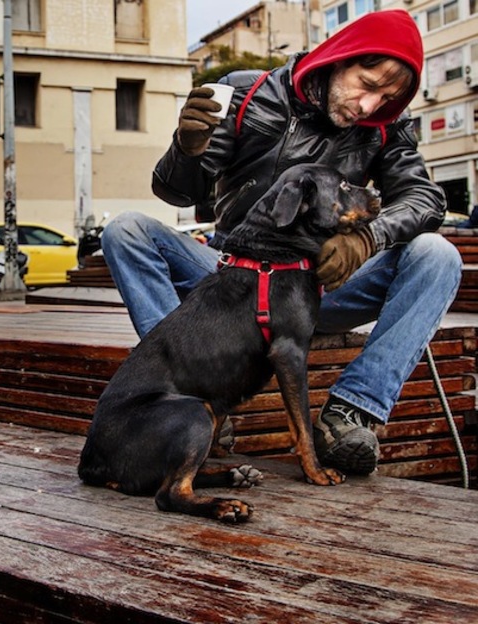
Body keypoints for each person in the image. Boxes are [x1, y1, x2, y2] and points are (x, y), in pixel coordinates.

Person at [101, 10, 462, 476]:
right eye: (368, 84)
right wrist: (186, 150)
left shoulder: (386, 126)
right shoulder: (247, 93)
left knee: (437, 255)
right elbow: (179, 194)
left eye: (387, 98)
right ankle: (184, 394)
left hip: (324, 283)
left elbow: (423, 197)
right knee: (127, 230)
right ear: (339, 57)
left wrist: (368, 237)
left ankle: (350, 412)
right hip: (232, 284)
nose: (370, 105)